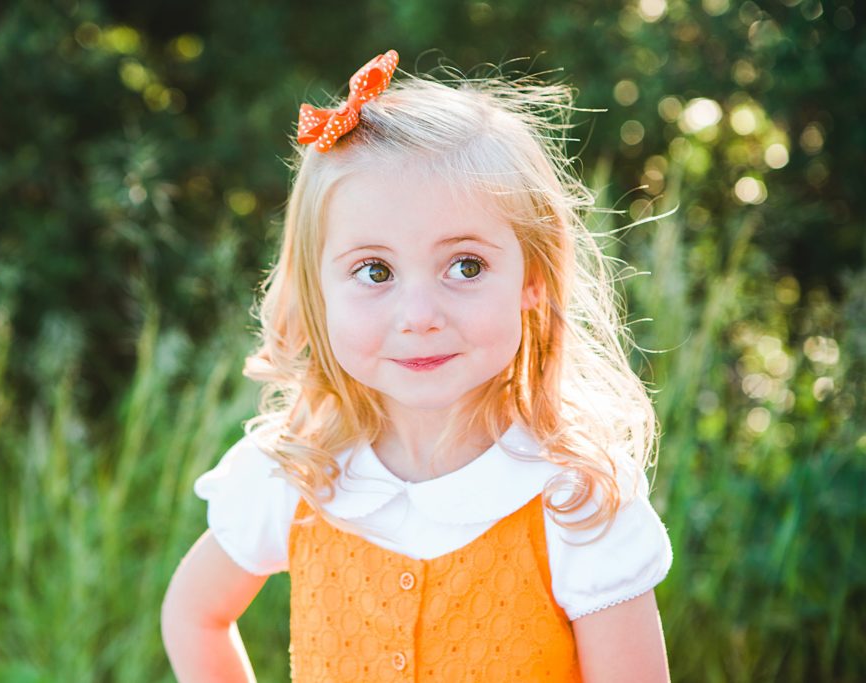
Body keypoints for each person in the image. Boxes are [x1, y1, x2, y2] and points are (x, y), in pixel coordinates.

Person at [161, 49, 673, 682]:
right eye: (375, 272)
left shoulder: (575, 502)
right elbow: (194, 615)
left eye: (466, 266)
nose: (420, 314)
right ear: (316, 292)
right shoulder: (296, 476)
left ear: (532, 279)